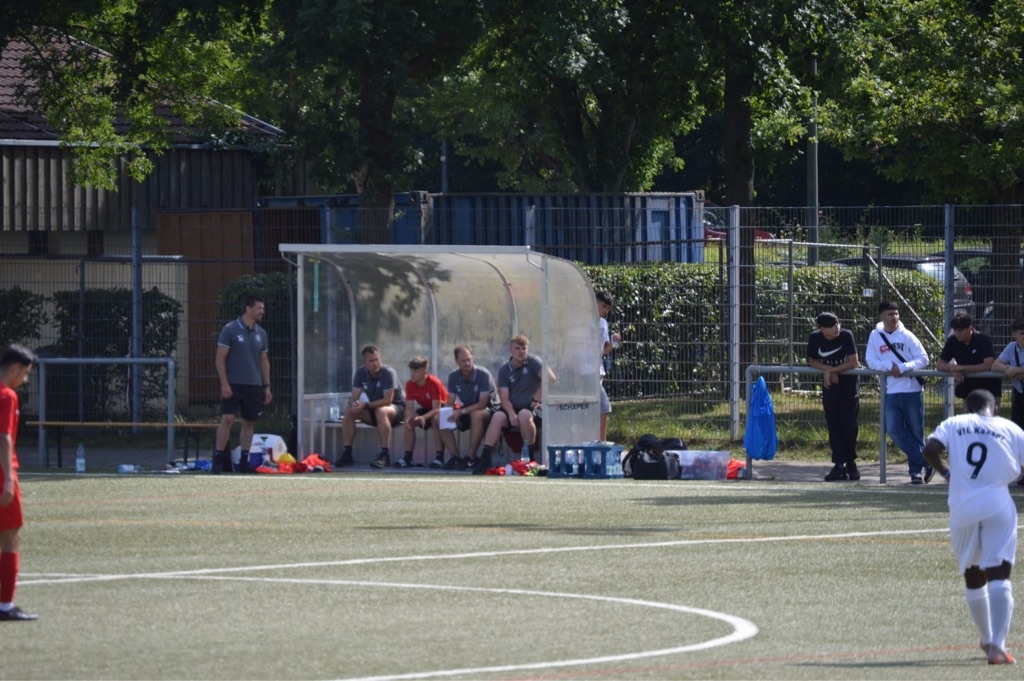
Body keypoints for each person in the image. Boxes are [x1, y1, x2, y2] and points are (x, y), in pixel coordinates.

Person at [922, 389, 1023, 665]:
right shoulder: (1009, 427)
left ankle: (987, 638)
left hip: (962, 506)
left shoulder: (955, 423)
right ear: (995, 407)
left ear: (967, 408)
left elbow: (930, 450)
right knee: (999, 572)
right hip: (997, 504)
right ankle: (998, 647)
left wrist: (946, 473)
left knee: (973, 573)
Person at [865, 301, 934, 484]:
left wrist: (903, 367)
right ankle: (927, 461)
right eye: (890, 314)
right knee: (893, 429)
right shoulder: (875, 336)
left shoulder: (907, 335)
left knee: (916, 432)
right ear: (881, 316)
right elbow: (870, 361)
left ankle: (915, 472)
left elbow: (924, 359)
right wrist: (889, 366)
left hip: (912, 391)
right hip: (891, 392)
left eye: (896, 314)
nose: (894, 317)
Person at [472, 334, 553, 475]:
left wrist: (535, 400)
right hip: (512, 408)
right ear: (511, 350)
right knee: (497, 417)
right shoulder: (504, 370)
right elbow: (503, 397)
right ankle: (484, 459)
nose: (521, 352)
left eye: (524, 348)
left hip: (533, 408)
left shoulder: (533, 362)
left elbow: (550, 379)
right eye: (517, 348)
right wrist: (510, 414)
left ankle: (529, 458)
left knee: (524, 415)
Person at [213, 295, 272, 474]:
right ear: (248, 308)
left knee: (249, 421)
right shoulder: (230, 329)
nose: (262, 312)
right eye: (259, 308)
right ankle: (218, 459)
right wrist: (224, 383)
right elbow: (220, 358)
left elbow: (264, 361)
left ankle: (244, 461)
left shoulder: (261, 333)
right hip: (233, 383)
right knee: (227, 419)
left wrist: (266, 386)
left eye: (263, 308)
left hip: (253, 385)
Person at [0, 344, 37, 621]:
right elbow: (3, 437)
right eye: (25, 374)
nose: (24, 380)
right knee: (11, 537)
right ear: (15, 368)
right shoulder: (7, 395)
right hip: (2, 472)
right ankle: (5, 606)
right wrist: (9, 479)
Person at [806, 312, 861, 481]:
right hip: (830, 384)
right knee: (834, 424)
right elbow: (811, 360)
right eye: (831, 326)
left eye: (837, 323)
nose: (836, 328)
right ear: (822, 329)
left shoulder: (846, 335)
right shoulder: (815, 338)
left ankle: (851, 462)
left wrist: (833, 370)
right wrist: (828, 371)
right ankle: (839, 464)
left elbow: (854, 362)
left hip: (849, 385)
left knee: (849, 424)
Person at [335, 345, 405, 468]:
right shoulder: (360, 373)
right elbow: (354, 396)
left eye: (377, 359)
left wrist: (365, 405)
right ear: (364, 363)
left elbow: (387, 400)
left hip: (396, 409)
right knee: (349, 411)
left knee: (381, 411)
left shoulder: (388, 373)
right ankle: (347, 453)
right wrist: (354, 404)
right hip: (374, 409)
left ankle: (384, 455)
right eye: (371, 361)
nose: (375, 363)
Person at [437, 345, 499, 470]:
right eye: (463, 361)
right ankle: (455, 457)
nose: (467, 363)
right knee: (439, 417)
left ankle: (471, 457)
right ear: (456, 361)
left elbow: (482, 403)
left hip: (490, 408)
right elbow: (450, 401)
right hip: (468, 409)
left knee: (476, 415)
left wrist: (461, 412)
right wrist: (447, 413)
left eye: (469, 359)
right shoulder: (453, 376)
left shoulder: (483, 374)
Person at [936, 313, 1001, 408]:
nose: (957, 333)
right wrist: (953, 370)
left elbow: (988, 364)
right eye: (955, 330)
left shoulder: (984, 339)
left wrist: (961, 368)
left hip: (989, 389)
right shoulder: (952, 341)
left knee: (988, 417)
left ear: (970, 327)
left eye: (960, 330)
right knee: (969, 417)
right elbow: (940, 364)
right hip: (969, 390)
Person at [991, 317, 1024, 487]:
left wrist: (1015, 370)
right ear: (1014, 335)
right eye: (1022, 333)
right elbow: (995, 365)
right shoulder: (1012, 347)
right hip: (1020, 395)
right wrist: (1007, 369)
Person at [401, 356, 448, 468]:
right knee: (408, 421)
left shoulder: (434, 383)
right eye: (411, 371)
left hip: (445, 408)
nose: (412, 374)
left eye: (416, 371)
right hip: (428, 408)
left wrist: (424, 417)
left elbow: (437, 408)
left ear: (425, 371)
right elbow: (409, 407)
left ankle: (439, 458)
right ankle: (407, 458)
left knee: (435, 419)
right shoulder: (410, 384)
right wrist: (410, 416)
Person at [596, 291, 622, 442]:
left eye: (608, 308)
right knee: (604, 406)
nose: (605, 310)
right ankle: (601, 443)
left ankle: (599, 442)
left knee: (599, 408)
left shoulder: (603, 323)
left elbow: (603, 349)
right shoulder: (583, 321)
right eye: (603, 306)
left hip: (598, 372)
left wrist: (614, 342)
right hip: (585, 372)